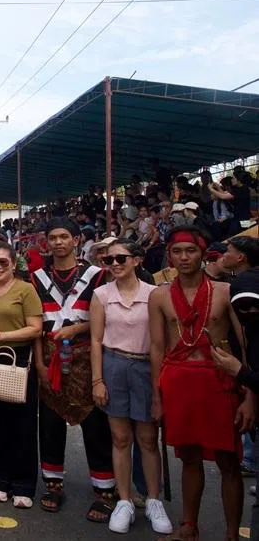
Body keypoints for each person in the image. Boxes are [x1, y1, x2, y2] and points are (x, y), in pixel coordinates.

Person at [150, 227, 254, 541]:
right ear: (169, 255)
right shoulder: (160, 295)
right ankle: (188, 527)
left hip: (218, 383)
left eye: (190, 251)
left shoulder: (224, 291)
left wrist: (250, 396)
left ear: (203, 253)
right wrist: (157, 397)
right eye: (177, 251)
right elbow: (157, 347)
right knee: (189, 458)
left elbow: (244, 347)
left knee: (228, 461)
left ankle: (232, 535)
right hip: (178, 382)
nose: (184, 258)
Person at [30, 219, 115, 523]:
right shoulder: (36, 278)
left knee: (96, 428)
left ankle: (104, 491)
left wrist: (77, 327)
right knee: (50, 426)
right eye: (52, 237)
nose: (58, 242)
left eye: (64, 236)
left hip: (87, 360)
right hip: (50, 360)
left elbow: (110, 319)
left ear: (77, 240)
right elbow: (35, 327)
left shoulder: (98, 276)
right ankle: (53, 485)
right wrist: (39, 363)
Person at [90, 240, 172, 534]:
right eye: (109, 260)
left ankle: (153, 498)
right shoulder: (101, 295)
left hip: (146, 366)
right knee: (120, 437)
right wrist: (97, 380)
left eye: (121, 259)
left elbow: (163, 341)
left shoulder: (156, 295)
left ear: (137, 260)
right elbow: (96, 340)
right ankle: (124, 500)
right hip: (113, 365)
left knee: (148, 438)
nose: (114, 264)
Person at [0, 241, 43, 509]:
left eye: (3, 262)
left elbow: (36, 328)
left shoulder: (25, 290)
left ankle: (24, 484)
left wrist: (3, 335)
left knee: (23, 426)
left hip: (19, 358)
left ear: (14, 264)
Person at [211, 269, 259, 538]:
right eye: (243, 306)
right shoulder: (247, 329)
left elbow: (248, 369)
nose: (250, 310)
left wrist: (240, 373)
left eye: (256, 305)